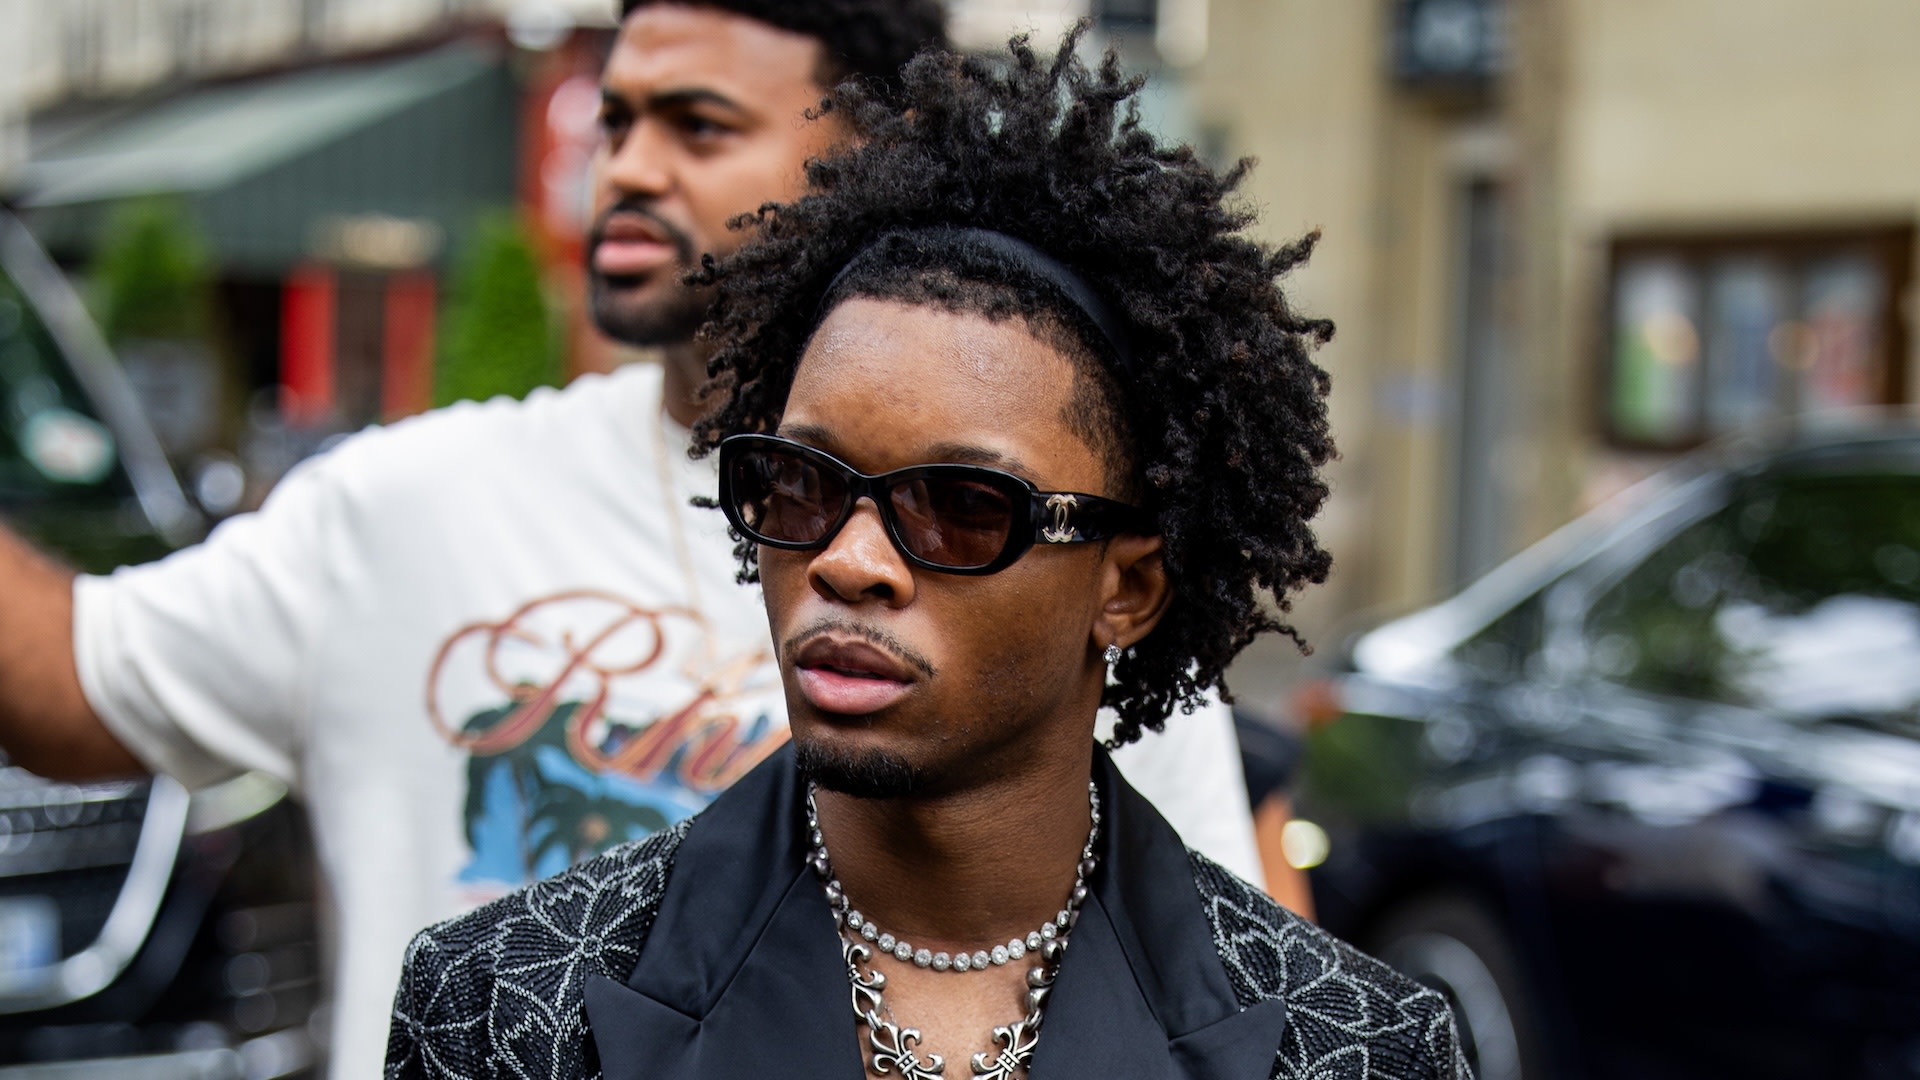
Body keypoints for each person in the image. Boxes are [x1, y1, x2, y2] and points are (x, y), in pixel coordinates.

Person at [0, 2, 1267, 1075]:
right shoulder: (406, 503)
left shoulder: (1054, 562)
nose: (627, 170)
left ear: (878, 154)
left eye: (698, 125)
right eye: (614, 121)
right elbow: (73, 684)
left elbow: (1237, 988)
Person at [386, 28, 1469, 1080]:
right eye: (803, 484)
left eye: (961, 508)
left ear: (1128, 586)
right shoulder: (506, 1006)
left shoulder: (1355, 1051)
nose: (850, 561)